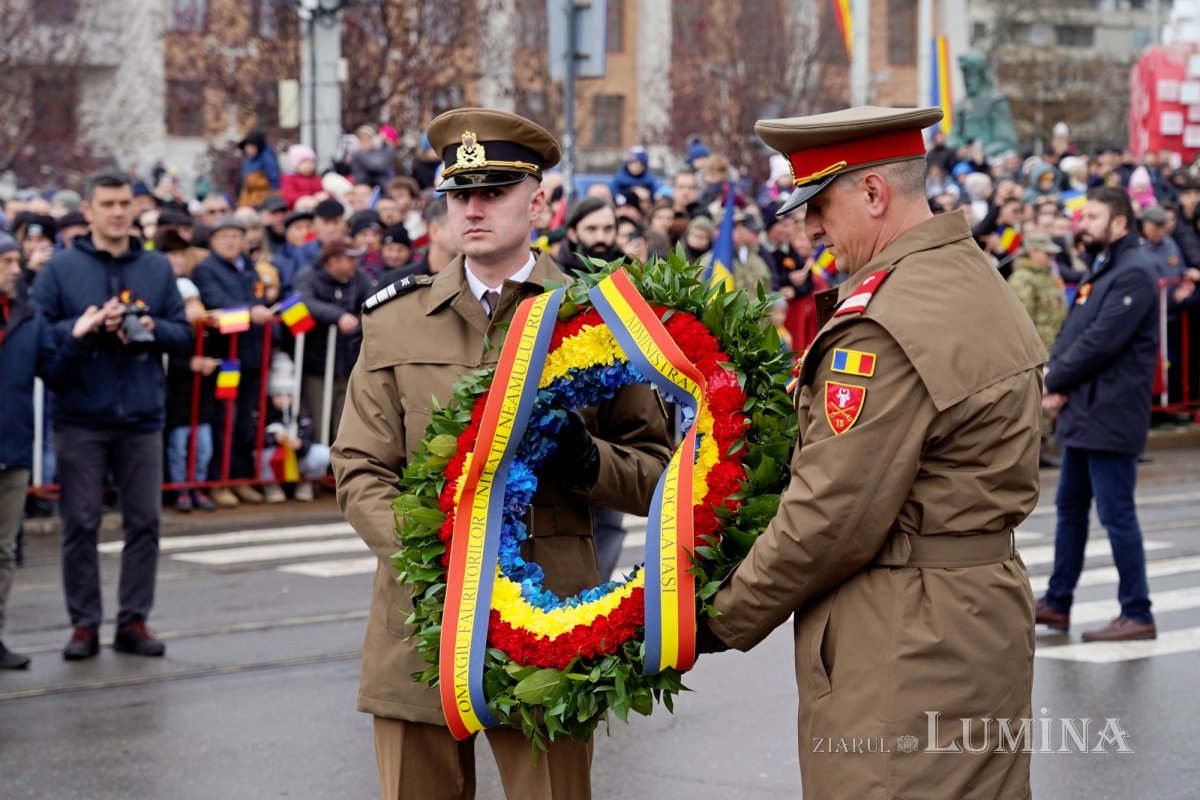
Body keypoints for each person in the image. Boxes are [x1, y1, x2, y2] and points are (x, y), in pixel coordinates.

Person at [697, 107, 1046, 798]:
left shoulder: (882, 324)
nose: (812, 228)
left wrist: (714, 619)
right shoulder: (966, 276)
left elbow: (829, 518)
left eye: (820, 205)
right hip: (975, 617)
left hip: (906, 640)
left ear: (875, 194)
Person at [331, 108, 671, 800]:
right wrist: (429, 557)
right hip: (419, 622)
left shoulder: (598, 318)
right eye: (460, 196)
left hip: (548, 624)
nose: (474, 210)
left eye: (493, 192)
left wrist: (586, 462)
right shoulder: (395, 320)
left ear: (538, 200)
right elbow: (359, 467)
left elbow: (659, 473)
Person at [31, 171, 192, 660]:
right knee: (80, 523)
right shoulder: (60, 269)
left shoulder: (156, 268)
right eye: (108, 204)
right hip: (80, 414)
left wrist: (151, 325)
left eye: (124, 203)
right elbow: (42, 338)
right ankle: (83, 625)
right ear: (90, 209)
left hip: (142, 414)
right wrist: (83, 328)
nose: (118, 211)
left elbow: (183, 334)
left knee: (144, 522)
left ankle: (133, 620)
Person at [1036, 187, 1161, 642]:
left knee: (1116, 514)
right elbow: (1075, 333)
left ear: (1120, 223)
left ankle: (1138, 610)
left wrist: (1054, 381)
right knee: (1070, 509)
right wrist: (1056, 378)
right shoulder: (1107, 268)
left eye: (1092, 216)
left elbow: (1101, 343)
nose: (1082, 224)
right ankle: (1057, 602)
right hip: (1087, 413)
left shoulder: (1135, 273)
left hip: (1111, 414)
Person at [0, 234, 60, 668]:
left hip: (12, 447)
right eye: (6, 262)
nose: (16, 270)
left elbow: (54, 366)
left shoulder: (27, 316)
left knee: (3, 549)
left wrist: (80, 337)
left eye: (16, 262)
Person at [191, 216, 272, 506]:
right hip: (226, 358)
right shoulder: (205, 269)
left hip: (251, 356)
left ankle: (240, 479)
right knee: (225, 418)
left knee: (244, 422)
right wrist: (251, 313)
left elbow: (260, 297)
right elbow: (215, 303)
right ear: (212, 241)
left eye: (235, 236)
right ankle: (219, 480)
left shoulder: (249, 268)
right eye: (223, 236)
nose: (230, 241)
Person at [293, 239, 373, 444]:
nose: (355, 263)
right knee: (319, 423)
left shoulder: (359, 278)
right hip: (318, 366)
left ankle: (338, 473)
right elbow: (304, 301)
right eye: (350, 259)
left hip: (348, 366)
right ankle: (319, 471)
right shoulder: (309, 276)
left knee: (345, 427)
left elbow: (374, 300)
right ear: (333, 261)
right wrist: (337, 316)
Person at [1008, 232, 1068, 468]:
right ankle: (1034, 451)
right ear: (1033, 251)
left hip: (1053, 345)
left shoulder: (1049, 277)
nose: (1051, 258)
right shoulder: (1023, 279)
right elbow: (1021, 320)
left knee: (1046, 401)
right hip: (1035, 348)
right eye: (1047, 253)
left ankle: (1042, 446)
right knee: (1034, 400)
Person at [258, 352, 329, 504]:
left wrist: (300, 443)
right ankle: (270, 485)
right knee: (261, 454)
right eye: (278, 394)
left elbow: (308, 434)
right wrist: (273, 438)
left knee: (322, 453)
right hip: (273, 458)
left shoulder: (300, 410)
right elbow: (250, 436)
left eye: (288, 395)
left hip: (296, 457)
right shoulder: (262, 411)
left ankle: (305, 483)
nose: (283, 400)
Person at [555, 197, 622, 277]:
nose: (600, 238)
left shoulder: (630, 273)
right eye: (591, 229)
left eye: (608, 229)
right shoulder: (558, 277)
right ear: (572, 234)